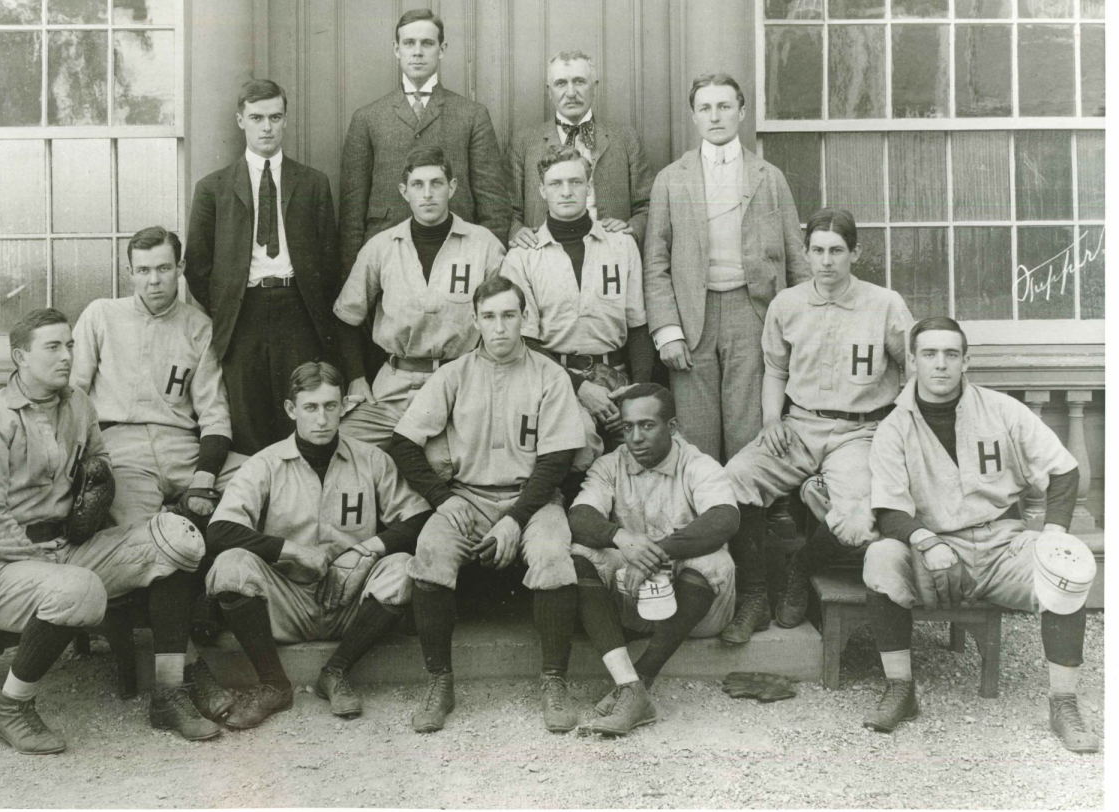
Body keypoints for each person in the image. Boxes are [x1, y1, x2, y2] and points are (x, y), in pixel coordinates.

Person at [0, 308, 219, 753]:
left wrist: (94, 495)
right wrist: (39, 558)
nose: (66, 356)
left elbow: (99, 465)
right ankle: (11, 706)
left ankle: (169, 692)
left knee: (176, 541)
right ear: (20, 356)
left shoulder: (78, 405)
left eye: (70, 345)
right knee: (80, 590)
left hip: (66, 549)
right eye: (52, 347)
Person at [861, 317, 1098, 752]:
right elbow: (889, 509)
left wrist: (1054, 534)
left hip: (1002, 545)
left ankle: (1063, 702)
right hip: (935, 551)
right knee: (881, 559)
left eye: (951, 354)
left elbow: (1064, 470)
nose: (941, 364)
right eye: (929, 354)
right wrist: (926, 541)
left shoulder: (1002, 410)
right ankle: (900, 689)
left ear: (966, 360)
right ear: (912, 362)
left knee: (1068, 566)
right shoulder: (894, 426)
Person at [643, 73, 809, 613]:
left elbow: (796, 256)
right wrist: (667, 330)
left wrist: (797, 327)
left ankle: (754, 591)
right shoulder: (672, 179)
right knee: (694, 447)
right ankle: (703, 588)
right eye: (704, 108)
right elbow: (656, 263)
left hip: (751, 315)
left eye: (724, 106)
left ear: (741, 112)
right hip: (692, 321)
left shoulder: (768, 177)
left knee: (746, 451)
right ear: (693, 116)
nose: (714, 116)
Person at [390, 276, 586, 734]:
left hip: (532, 499)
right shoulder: (454, 374)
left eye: (509, 315)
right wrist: (441, 499)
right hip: (468, 496)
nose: (499, 327)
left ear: (524, 318)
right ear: (476, 320)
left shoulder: (549, 374)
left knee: (554, 555)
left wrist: (516, 520)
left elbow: (557, 460)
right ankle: (440, 680)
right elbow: (402, 442)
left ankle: (555, 680)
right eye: (490, 317)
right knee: (432, 550)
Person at [719, 210, 912, 644]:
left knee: (861, 520)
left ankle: (801, 567)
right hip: (800, 427)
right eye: (818, 251)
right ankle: (754, 596)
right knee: (735, 479)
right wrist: (771, 420)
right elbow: (775, 369)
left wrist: (895, 425)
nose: (827, 261)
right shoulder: (787, 304)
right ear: (805, 254)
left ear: (855, 253)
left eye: (837, 251)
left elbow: (912, 369)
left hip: (859, 432)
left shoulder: (884, 304)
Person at [72, 224, 244, 708]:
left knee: (259, 480)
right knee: (146, 543)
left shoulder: (197, 324)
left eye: (164, 269)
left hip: (180, 445)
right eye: (143, 271)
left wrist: (206, 474)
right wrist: (88, 457)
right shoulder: (101, 316)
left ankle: (217, 597)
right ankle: (186, 665)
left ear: (180, 269)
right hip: (121, 444)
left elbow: (214, 413)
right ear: (129, 273)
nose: (154, 280)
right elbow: (76, 396)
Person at [205, 362, 432, 728]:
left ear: (345, 406)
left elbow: (419, 518)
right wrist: (293, 551)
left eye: (330, 406)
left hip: (350, 602)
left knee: (403, 566)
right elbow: (219, 531)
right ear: (291, 409)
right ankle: (274, 684)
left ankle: (337, 670)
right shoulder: (266, 463)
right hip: (287, 601)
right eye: (310, 408)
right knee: (230, 565)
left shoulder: (372, 459)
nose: (322, 419)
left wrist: (366, 549)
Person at [569, 383, 739, 735]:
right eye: (628, 427)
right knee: (582, 553)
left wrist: (656, 552)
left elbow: (725, 518)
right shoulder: (609, 465)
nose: (635, 437)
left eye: (647, 425)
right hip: (633, 602)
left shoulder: (697, 463)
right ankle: (628, 684)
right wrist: (623, 539)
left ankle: (643, 675)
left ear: (672, 427)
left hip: (693, 611)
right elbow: (580, 517)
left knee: (713, 561)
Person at [185, 78, 340, 456]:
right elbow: (197, 265)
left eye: (275, 117)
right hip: (243, 314)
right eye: (257, 118)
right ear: (241, 121)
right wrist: (228, 307)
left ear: (286, 120)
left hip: (297, 310)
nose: (266, 127)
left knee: (299, 408)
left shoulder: (313, 183)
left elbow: (329, 261)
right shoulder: (214, 188)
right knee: (248, 416)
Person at [333, 146, 505, 450]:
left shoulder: (483, 245)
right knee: (342, 446)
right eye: (418, 185)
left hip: (459, 386)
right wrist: (357, 377)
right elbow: (348, 316)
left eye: (436, 183)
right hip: (395, 389)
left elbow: (503, 319)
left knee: (439, 462)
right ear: (404, 191)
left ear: (451, 188)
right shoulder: (382, 247)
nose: (427, 194)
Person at [501, 144, 654, 454]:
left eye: (575, 182)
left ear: (590, 186)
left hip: (617, 379)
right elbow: (524, 344)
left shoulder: (621, 245)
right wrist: (582, 389)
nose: (566, 191)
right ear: (542, 190)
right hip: (555, 381)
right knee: (581, 445)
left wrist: (636, 390)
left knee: (646, 451)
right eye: (556, 184)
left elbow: (638, 325)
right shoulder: (523, 257)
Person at [339, 8, 510, 276]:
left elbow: (493, 203)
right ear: (397, 49)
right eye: (409, 43)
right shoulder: (367, 117)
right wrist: (353, 273)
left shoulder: (472, 114)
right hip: (386, 256)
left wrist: (488, 266)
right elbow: (352, 209)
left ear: (441, 49)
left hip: (459, 254)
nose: (417, 52)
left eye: (427, 43)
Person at [509, 50, 654, 248]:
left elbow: (647, 206)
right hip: (543, 257)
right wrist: (517, 231)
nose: (570, 93)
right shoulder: (524, 142)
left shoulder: (625, 138)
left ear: (594, 87)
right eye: (561, 83)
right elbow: (508, 210)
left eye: (579, 82)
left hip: (610, 255)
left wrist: (631, 230)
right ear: (549, 91)